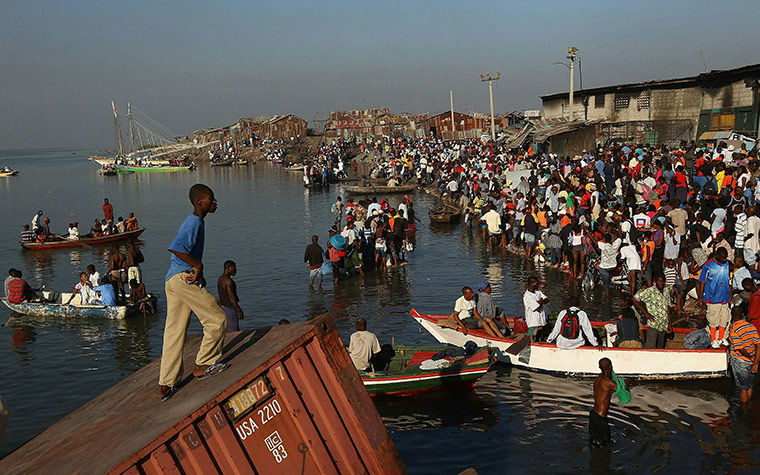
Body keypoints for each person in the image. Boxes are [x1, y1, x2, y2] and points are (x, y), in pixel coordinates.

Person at [158, 184, 228, 402]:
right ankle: (204, 363)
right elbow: (176, 247)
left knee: (174, 331)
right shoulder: (195, 222)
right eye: (211, 199)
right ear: (199, 202)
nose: (215, 202)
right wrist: (198, 265)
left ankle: (167, 382)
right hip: (183, 277)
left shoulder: (196, 221)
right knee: (217, 319)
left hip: (172, 280)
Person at [698, 247, 732, 348]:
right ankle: (714, 339)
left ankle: (721, 338)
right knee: (713, 319)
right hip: (713, 298)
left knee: (724, 318)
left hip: (725, 297)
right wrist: (701, 298)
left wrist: (730, 295)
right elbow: (702, 282)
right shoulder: (708, 266)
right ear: (717, 255)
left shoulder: (726, 264)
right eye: (723, 258)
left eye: (725, 258)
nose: (724, 260)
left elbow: (728, 280)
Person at [727, 306, 760, 403]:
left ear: (731, 315)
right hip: (752, 360)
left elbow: (740, 348)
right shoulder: (751, 326)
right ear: (743, 315)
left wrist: (750, 357)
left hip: (740, 361)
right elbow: (758, 344)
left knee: (743, 388)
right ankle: (748, 407)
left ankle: (743, 411)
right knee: (750, 385)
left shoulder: (734, 329)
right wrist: (755, 361)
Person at [632, 274, 674, 349]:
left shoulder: (666, 290)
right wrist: (646, 313)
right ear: (655, 281)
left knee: (660, 347)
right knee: (651, 347)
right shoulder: (650, 291)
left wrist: (669, 323)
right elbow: (635, 299)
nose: (661, 283)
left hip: (663, 324)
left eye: (663, 281)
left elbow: (667, 307)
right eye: (659, 281)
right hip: (653, 323)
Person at [590, 358, 618, 448]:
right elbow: (623, 394)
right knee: (606, 445)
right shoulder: (609, 383)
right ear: (610, 367)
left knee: (594, 443)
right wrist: (627, 383)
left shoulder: (597, 380)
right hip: (601, 418)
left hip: (593, 414)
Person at [218, 260, 244, 332]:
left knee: (227, 329)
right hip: (230, 309)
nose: (236, 270)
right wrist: (239, 310)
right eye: (234, 268)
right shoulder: (228, 281)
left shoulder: (220, 279)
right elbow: (231, 297)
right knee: (233, 330)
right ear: (228, 268)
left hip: (223, 307)